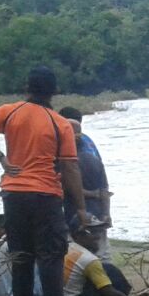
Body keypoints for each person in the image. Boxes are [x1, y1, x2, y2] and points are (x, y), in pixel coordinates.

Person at [0, 67, 91, 296]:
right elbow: (70, 168)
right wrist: (81, 208)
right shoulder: (60, 124)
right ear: (54, 92)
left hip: (13, 194)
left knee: (21, 254)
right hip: (45, 195)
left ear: (27, 88)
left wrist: (0, 157)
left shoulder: (10, 112)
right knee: (51, 255)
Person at [58, 107, 112, 258]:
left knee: (77, 258)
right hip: (98, 213)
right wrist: (106, 213)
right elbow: (104, 189)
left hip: (75, 215)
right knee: (102, 256)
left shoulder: (63, 159)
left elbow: (65, 187)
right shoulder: (91, 151)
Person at [62, 223, 135, 296]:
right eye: (92, 232)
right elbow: (109, 292)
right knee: (110, 272)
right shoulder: (89, 260)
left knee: (105, 269)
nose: (98, 237)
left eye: (99, 232)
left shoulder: (67, 248)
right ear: (78, 236)